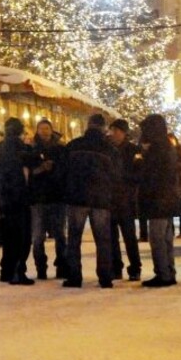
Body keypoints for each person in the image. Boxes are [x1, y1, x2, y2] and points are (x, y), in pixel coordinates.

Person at [62, 114, 117, 289]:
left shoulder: (73, 146)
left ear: (88, 125)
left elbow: (63, 172)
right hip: (101, 199)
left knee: (74, 239)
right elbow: (116, 175)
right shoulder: (110, 149)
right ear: (103, 128)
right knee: (103, 240)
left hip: (77, 197)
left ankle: (74, 276)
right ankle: (105, 277)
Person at [139, 114, 180, 288]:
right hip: (168, 198)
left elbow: (151, 174)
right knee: (166, 238)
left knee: (157, 239)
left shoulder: (156, 149)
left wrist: (141, 159)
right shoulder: (168, 146)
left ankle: (163, 274)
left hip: (158, 199)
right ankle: (169, 271)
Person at [25, 119, 67, 280]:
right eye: (41, 128)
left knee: (60, 235)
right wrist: (42, 168)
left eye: (46, 128)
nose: (44, 131)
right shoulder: (31, 149)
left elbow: (65, 169)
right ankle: (40, 267)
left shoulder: (60, 148)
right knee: (38, 237)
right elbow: (28, 172)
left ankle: (61, 266)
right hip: (38, 197)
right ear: (37, 130)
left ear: (51, 130)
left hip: (57, 196)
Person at [0, 118, 34, 285]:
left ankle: (6, 270)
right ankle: (18, 271)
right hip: (19, 197)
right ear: (20, 131)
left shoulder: (1, 148)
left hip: (6, 197)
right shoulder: (20, 148)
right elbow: (31, 162)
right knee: (22, 236)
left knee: (9, 235)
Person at [108, 119, 142, 282]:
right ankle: (116, 267)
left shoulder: (134, 150)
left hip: (126, 200)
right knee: (111, 237)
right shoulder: (106, 148)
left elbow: (139, 174)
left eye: (117, 131)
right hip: (109, 199)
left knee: (129, 236)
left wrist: (123, 177)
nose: (114, 134)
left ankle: (135, 267)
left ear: (124, 133)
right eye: (112, 130)